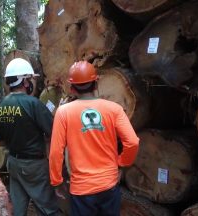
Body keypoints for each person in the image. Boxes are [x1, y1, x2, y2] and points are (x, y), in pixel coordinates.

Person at [49, 61, 140, 216]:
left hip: (81, 190)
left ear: (71, 88)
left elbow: (56, 152)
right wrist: (121, 164)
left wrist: (57, 181)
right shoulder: (114, 109)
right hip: (109, 185)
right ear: (96, 83)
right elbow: (132, 142)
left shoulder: (63, 112)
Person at [0, 58, 59, 216]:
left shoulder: (1, 106)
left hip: (14, 163)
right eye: (30, 79)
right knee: (47, 208)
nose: (32, 83)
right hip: (34, 165)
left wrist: (16, 138)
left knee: (18, 207)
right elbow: (54, 133)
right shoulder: (33, 104)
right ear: (24, 81)